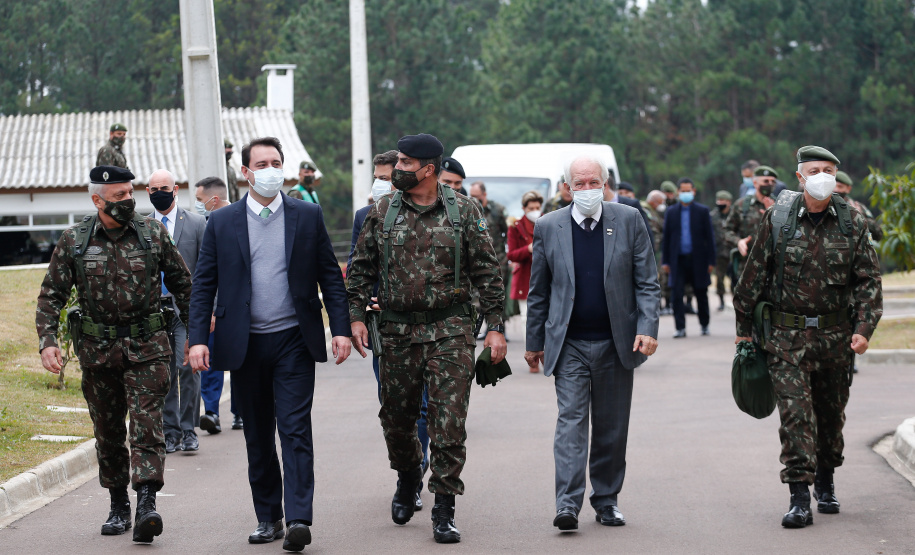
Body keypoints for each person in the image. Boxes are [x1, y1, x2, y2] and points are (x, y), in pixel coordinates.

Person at [187, 137, 352, 552]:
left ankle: (298, 519)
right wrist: (197, 340)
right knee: (258, 434)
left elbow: (330, 276)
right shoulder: (222, 222)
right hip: (244, 344)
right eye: (261, 164)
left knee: (294, 430)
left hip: (294, 339)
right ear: (245, 172)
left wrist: (341, 328)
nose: (270, 170)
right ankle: (268, 517)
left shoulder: (307, 215)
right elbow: (203, 285)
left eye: (276, 162)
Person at [348, 133, 505, 544]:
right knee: (397, 419)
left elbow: (488, 272)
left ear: (428, 169)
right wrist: (356, 318)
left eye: (405, 162)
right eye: (397, 161)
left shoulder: (463, 210)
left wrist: (495, 326)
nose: (397, 168)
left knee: (448, 422)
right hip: (397, 332)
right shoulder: (383, 211)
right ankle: (408, 475)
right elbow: (360, 270)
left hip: (450, 330)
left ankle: (444, 507)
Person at [36, 165, 192, 543]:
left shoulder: (152, 233)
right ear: (97, 200)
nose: (128, 200)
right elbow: (51, 295)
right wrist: (48, 340)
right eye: (119, 195)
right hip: (98, 353)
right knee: (108, 433)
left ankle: (147, 504)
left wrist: (196, 335)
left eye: (130, 193)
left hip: (148, 348)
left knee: (146, 426)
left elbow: (183, 284)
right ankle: (119, 503)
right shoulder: (75, 240)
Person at [733, 145, 882, 528]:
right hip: (787, 339)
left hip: (835, 339)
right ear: (800, 177)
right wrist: (744, 333)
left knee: (830, 417)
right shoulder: (778, 218)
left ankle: (826, 480)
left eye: (829, 170)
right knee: (795, 417)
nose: (823, 177)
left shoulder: (853, 221)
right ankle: (799, 496)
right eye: (815, 170)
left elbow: (869, 281)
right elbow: (752, 277)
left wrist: (863, 329)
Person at [524, 155, 660, 532]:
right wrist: (535, 342)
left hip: (616, 342)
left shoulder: (629, 220)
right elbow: (539, 291)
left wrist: (648, 328)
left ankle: (606, 500)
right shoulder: (548, 226)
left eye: (593, 182)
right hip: (568, 343)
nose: (587, 189)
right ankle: (567, 504)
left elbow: (647, 282)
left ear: (605, 184)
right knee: (571, 423)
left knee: (611, 427)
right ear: (567, 188)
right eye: (579, 184)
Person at [347, 149, 431, 512]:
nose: (385, 183)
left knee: (424, 405)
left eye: (389, 176)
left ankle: (417, 472)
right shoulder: (365, 216)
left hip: (428, 324)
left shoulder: (430, 211)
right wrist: (361, 311)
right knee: (396, 405)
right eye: (379, 178)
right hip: (385, 327)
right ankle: (408, 468)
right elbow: (358, 268)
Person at [146, 169, 207, 454]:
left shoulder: (196, 223)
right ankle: (170, 432)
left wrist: (211, 311)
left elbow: (208, 270)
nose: (159, 193)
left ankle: (188, 429)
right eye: (154, 189)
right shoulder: (141, 226)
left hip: (187, 307)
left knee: (188, 367)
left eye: (164, 188)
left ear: (176, 189)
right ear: (148, 192)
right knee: (164, 372)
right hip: (154, 310)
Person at [193, 176, 243, 434]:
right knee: (209, 361)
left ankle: (240, 412)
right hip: (213, 308)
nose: (197, 204)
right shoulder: (202, 225)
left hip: (238, 307)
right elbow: (205, 275)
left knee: (239, 360)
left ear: (213, 200)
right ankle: (211, 412)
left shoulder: (243, 220)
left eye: (199, 200)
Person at [661, 178, 716, 338]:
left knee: (701, 292)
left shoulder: (702, 211)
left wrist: (711, 261)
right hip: (677, 260)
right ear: (678, 192)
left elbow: (710, 238)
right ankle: (680, 328)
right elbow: (666, 238)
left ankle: (704, 324)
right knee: (676, 294)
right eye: (683, 191)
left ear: (694, 191)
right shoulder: (671, 212)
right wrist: (665, 261)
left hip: (698, 259)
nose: (686, 193)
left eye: (688, 190)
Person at [507, 190, 543, 373]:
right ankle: (532, 356)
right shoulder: (515, 227)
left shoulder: (548, 222)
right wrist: (528, 249)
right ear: (524, 208)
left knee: (549, 318)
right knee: (526, 318)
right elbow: (511, 254)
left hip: (546, 277)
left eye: (537, 207)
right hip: (525, 278)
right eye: (531, 208)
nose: (535, 211)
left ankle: (545, 352)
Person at [469, 180, 512, 333]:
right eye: (472, 196)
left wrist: (509, 255)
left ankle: (499, 328)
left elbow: (508, 233)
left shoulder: (497, 210)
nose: (474, 199)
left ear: (484, 194)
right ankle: (483, 327)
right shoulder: (469, 209)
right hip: (477, 259)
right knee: (478, 295)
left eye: (477, 196)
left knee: (498, 294)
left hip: (499, 259)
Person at [725, 165, 778, 280]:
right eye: (766, 181)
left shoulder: (781, 206)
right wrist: (738, 241)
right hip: (747, 267)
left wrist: (773, 215)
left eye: (773, 181)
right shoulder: (742, 205)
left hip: (773, 268)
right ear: (755, 183)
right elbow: (727, 231)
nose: (770, 184)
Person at [603, 176, 655, 248]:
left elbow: (645, 235)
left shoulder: (632, 204)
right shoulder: (594, 208)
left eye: (593, 183)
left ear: (605, 186)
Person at [835, 171, 883, 241]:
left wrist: (860, 217)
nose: (835, 189)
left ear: (848, 189)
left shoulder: (858, 207)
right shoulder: (821, 206)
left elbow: (878, 235)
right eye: (833, 186)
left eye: (840, 186)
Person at [711, 190, 733, 311]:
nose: (720, 203)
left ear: (729, 202)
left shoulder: (735, 214)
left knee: (736, 276)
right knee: (719, 277)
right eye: (718, 200)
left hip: (734, 250)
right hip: (719, 251)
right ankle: (721, 300)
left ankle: (736, 299)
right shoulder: (712, 215)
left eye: (723, 201)